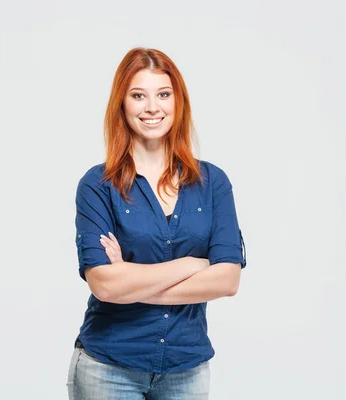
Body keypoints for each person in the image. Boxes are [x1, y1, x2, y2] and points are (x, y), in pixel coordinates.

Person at [66, 47, 247, 400]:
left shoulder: (213, 183)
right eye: (138, 95)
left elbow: (227, 280)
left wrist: (130, 281)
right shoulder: (97, 185)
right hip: (108, 368)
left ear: (178, 102)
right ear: (122, 103)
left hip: (186, 370)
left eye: (163, 94)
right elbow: (104, 286)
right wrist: (192, 265)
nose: (152, 107)